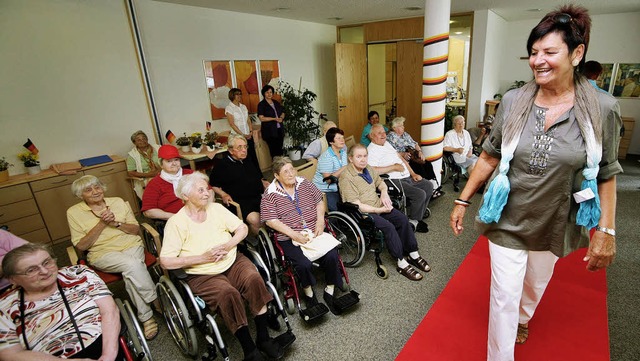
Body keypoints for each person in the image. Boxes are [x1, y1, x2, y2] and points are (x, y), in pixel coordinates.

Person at [449, 5, 621, 360]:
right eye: (533, 52)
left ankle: (524, 317)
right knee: (503, 296)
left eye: (549, 52)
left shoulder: (603, 108)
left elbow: (605, 172)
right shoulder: (513, 101)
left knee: (534, 284)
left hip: (557, 217)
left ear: (577, 54)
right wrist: (463, 200)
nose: (538, 60)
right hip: (507, 216)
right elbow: (489, 156)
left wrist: (607, 230)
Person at [160, 173, 285, 361]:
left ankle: (263, 338)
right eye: (200, 190)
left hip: (232, 260)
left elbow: (242, 228)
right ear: (185, 196)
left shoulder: (216, 209)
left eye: (207, 188)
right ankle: (249, 349)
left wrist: (228, 245)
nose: (206, 193)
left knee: (254, 279)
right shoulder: (176, 223)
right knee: (228, 294)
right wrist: (202, 257)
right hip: (203, 274)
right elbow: (166, 261)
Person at [67, 175, 160, 341]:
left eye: (97, 187)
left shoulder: (117, 201)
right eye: (88, 190)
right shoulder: (74, 213)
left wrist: (116, 223)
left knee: (131, 271)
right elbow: (81, 246)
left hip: (131, 244)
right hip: (102, 253)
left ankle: (146, 318)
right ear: (81, 195)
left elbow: (134, 230)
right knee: (133, 265)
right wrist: (102, 223)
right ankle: (155, 299)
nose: (95, 191)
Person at [0, 243, 121, 360]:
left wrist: (107, 357)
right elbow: (10, 353)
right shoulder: (4, 306)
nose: (45, 271)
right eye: (31, 270)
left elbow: (109, 311)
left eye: (47, 262)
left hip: (100, 344)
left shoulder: (78, 274)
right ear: (13, 279)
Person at [260, 157, 345, 312]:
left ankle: (330, 289)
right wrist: (294, 234)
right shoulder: (270, 194)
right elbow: (271, 221)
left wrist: (320, 220)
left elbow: (319, 200)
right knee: (303, 264)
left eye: (292, 169)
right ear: (276, 176)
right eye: (285, 171)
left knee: (332, 254)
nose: (291, 173)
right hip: (289, 236)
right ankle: (309, 293)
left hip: (314, 228)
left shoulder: (304, 183)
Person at [339, 144, 430, 281]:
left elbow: (380, 182)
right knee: (389, 227)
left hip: (378, 204)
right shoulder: (346, 178)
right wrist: (379, 210)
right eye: (359, 157)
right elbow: (356, 205)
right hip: (364, 213)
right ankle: (401, 261)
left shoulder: (367, 168)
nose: (363, 160)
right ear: (350, 159)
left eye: (365, 156)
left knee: (403, 219)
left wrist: (384, 193)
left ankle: (413, 253)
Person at [367, 124, 433, 232]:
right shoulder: (371, 150)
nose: (383, 135)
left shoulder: (387, 143)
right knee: (419, 194)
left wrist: (413, 174)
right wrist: (393, 167)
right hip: (391, 180)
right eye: (379, 133)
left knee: (428, 186)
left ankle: (418, 214)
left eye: (384, 132)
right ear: (372, 136)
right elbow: (372, 170)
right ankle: (414, 221)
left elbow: (401, 158)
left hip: (406, 177)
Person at [210, 134, 269, 236]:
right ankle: (262, 243)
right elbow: (213, 185)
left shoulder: (248, 158)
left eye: (245, 146)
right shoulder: (223, 165)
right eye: (239, 147)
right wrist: (223, 194)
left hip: (258, 196)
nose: (244, 150)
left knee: (276, 210)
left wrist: (264, 182)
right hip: (240, 201)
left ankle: (274, 238)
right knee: (255, 219)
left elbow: (258, 175)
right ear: (231, 150)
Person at [386, 116, 443, 198]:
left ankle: (431, 187)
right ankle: (424, 189)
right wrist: (402, 154)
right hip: (403, 159)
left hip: (413, 156)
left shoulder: (405, 134)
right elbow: (391, 152)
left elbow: (414, 143)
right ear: (395, 128)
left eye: (403, 125)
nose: (403, 127)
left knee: (427, 164)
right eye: (401, 125)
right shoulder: (390, 137)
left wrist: (420, 152)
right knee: (418, 167)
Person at [141, 144, 193, 221]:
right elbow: (149, 211)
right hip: (173, 220)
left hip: (197, 213)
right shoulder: (154, 184)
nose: (174, 163)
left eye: (176, 160)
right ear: (161, 164)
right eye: (169, 161)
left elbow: (209, 191)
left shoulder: (191, 174)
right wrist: (177, 217)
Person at [312, 127, 348, 211]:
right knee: (338, 210)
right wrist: (345, 168)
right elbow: (328, 180)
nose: (342, 140)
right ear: (331, 142)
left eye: (342, 137)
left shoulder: (342, 152)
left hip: (339, 186)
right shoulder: (326, 156)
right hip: (325, 190)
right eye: (339, 138)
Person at [226, 88, 260, 170]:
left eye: (240, 94)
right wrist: (242, 135)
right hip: (238, 137)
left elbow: (248, 120)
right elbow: (232, 124)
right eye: (237, 94)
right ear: (232, 96)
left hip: (248, 135)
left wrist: (251, 131)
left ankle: (258, 176)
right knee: (242, 157)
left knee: (252, 156)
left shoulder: (243, 106)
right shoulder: (229, 108)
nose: (239, 96)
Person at [126, 130, 160, 200]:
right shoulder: (132, 155)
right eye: (139, 140)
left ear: (147, 139)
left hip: (162, 173)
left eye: (144, 138)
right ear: (134, 143)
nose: (142, 141)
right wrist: (150, 175)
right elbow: (131, 172)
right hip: (146, 178)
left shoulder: (157, 148)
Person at [257, 85, 285, 158]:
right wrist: (274, 119)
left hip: (279, 130)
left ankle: (281, 166)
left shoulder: (276, 102)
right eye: (267, 92)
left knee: (280, 149)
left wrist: (281, 117)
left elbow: (283, 112)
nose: (269, 94)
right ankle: (276, 167)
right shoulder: (261, 104)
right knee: (274, 151)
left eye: (271, 92)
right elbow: (261, 118)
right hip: (269, 131)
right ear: (264, 93)